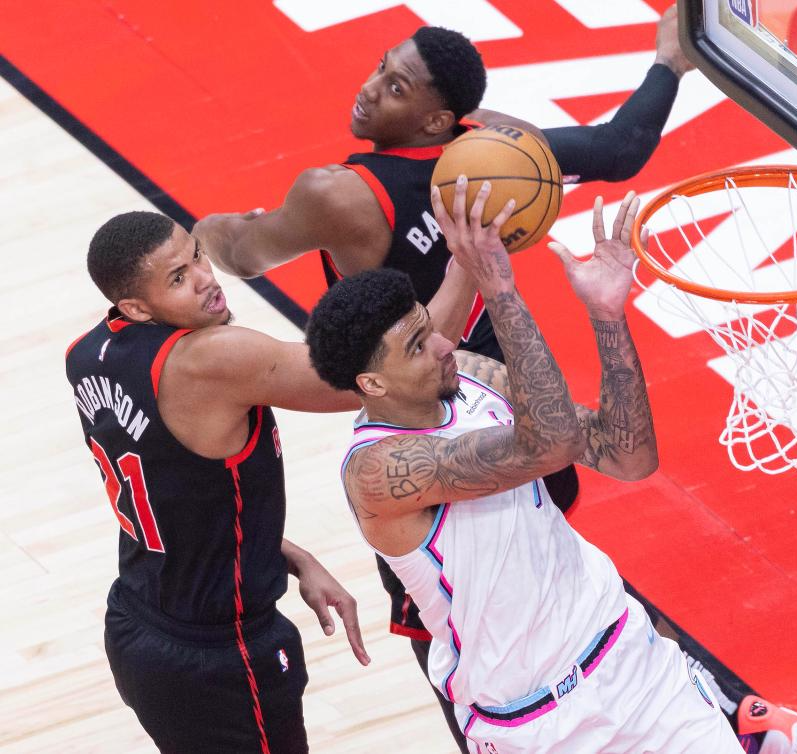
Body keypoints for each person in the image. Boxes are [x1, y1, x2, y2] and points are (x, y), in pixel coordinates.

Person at [192, 12, 694, 748]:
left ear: (435, 116)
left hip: (456, 399)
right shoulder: (492, 150)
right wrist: (669, 61)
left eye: (396, 85)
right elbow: (622, 148)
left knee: (469, 619)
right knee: (525, 576)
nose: (370, 89)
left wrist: (202, 236)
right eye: (380, 67)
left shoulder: (340, 194)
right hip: (509, 392)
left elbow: (243, 252)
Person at [305, 178, 745, 752]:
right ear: (372, 384)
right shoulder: (379, 471)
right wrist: (498, 288)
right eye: (417, 347)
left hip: (635, 666)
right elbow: (548, 447)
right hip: (536, 724)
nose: (443, 345)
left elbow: (628, 456)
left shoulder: (471, 374)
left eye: (429, 329)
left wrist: (607, 315)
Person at [66, 211, 382, 752]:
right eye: (178, 278)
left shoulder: (86, 355)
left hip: (138, 622)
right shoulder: (213, 359)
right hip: (220, 656)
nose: (205, 278)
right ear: (136, 307)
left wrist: (291, 555)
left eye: (197, 255)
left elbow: (179, 498)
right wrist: (471, 271)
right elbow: (375, 382)